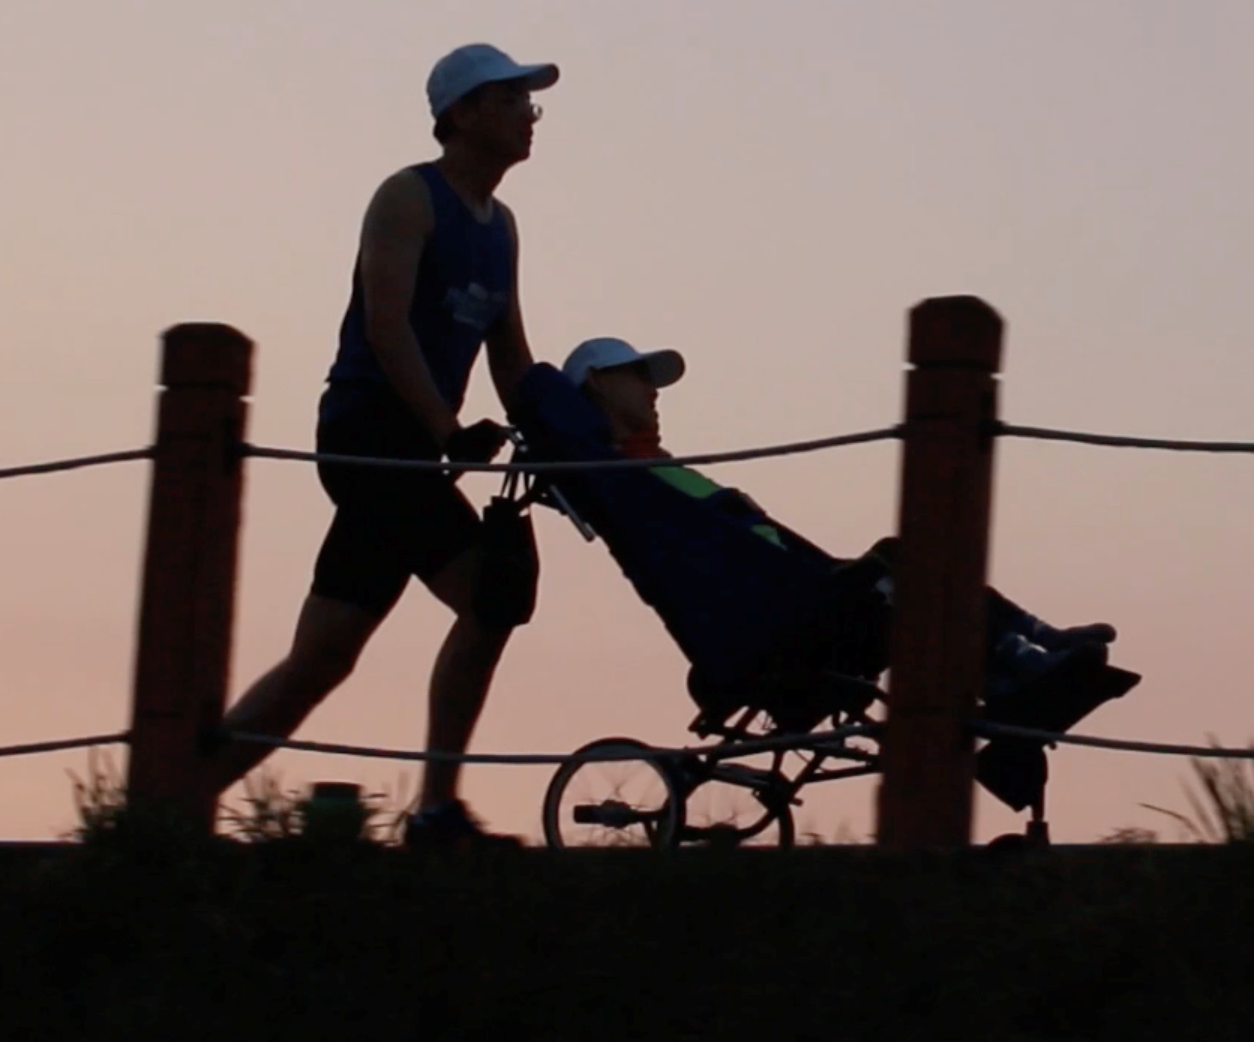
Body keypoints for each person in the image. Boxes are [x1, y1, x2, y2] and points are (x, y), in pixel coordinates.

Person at [525, 335, 1134, 810]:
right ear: (599, 385)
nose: (652, 390)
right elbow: (536, 390)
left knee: (900, 569)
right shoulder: (627, 483)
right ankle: (1019, 656)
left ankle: (1021, 659)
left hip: (792, 607)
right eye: (637, 376)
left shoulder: (653, 471)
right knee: (899, 561)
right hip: (772, 634)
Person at [215, 44, 556, 847]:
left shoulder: (502, 228)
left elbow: (510, 354)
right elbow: (385, 321)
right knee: (493, 597)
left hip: (417, 446)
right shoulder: (408, 197)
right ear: (464, 113)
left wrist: (559, 438)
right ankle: (435, 809)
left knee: (324, 655)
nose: (528, 116)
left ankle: (173, 794)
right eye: (512, 99)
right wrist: (445, 427)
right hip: (371, 432)